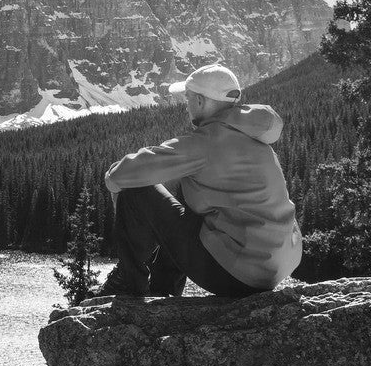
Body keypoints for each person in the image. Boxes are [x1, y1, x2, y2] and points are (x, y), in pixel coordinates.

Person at [97, 63, 302, 298]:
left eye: (188, 98)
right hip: (273, 268)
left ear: (201, 101)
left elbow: (125, 173)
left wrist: (114, 185)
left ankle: (127, 284)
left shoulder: (206, 142)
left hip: (237, 274)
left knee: (135, 191)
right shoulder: (255, 138)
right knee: (186, 204)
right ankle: (163, 291)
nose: (185, 105)